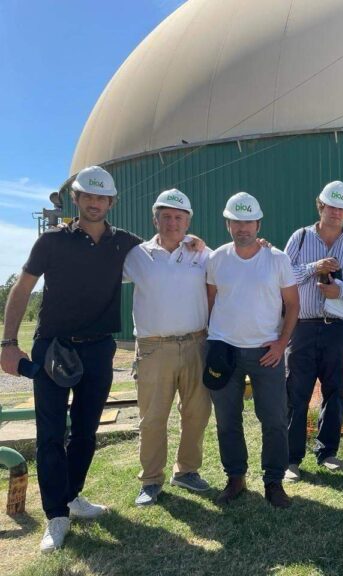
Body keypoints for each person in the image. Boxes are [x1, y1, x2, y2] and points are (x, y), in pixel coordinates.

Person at [0, 166, 143, 552]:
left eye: (102, 198)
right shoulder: (51, 242)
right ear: (76, 199)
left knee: (85, 431)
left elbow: (164, 252)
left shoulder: (124, 243)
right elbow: (22, 288)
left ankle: (72, 495)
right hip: (53, 347)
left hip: (98, 349)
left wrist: (192, 243)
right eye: (88, 196)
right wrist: (9, 343)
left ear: (112, 202)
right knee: (50, 435)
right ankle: (56, 515)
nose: (95, 203)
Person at [206, 192, 300, 507]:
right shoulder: (217, 259)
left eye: (248, 222)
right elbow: (210, 301)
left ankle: (274, 481)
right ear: (227, 224)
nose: (242, 228)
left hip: (266, 353)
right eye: (236, 222)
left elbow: (292, 304)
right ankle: (236, 477)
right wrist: (212, 341)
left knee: (274, 419)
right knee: (227, 420)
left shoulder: (277, 259)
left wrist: (281, 342)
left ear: (258, 224)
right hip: (224, 351)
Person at [122, 189, 212, 506]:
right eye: (166, 217)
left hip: (196, 343)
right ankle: (150, 479)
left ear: (188, 221)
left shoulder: (202, 254)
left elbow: (234, 265)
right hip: (154, 348)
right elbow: (101, 274)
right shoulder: (138, 255)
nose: (172, 223)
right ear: (155, 220)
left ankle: (186, 471)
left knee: (197, 413)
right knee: (152, 418)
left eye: (179, 217)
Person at [284, 181, 343, 480]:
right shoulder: (300, 238)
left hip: (338, 329)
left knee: (336, 391)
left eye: (341, 208)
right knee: (296, 391)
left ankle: (327, 452)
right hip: (303, 327)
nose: (335, 212)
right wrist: (314, 267)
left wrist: (341, 292)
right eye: (331, 207)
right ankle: (291, 459)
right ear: (320, 206)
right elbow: (283, 275)